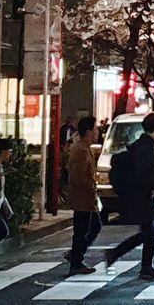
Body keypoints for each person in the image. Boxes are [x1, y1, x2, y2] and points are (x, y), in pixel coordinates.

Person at [102, 113, 154, 280]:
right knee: (150, 232)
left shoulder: (139, 144)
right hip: (143, 195)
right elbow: (145, 171)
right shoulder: (148, 148)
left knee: (151, 230)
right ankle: (140, 264)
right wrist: (153, 187)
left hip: (136, 195)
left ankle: (133, 261)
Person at [66, 117, 102, 276]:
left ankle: (75, 256)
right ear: (88, 132)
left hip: (86, 199)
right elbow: (77, 176)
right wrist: (91, 186)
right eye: (95, 129)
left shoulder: (85, 148)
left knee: (92, 227)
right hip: (82, 198)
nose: (97, 132)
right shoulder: (80, 150)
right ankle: (76, 260)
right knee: (83, 230)